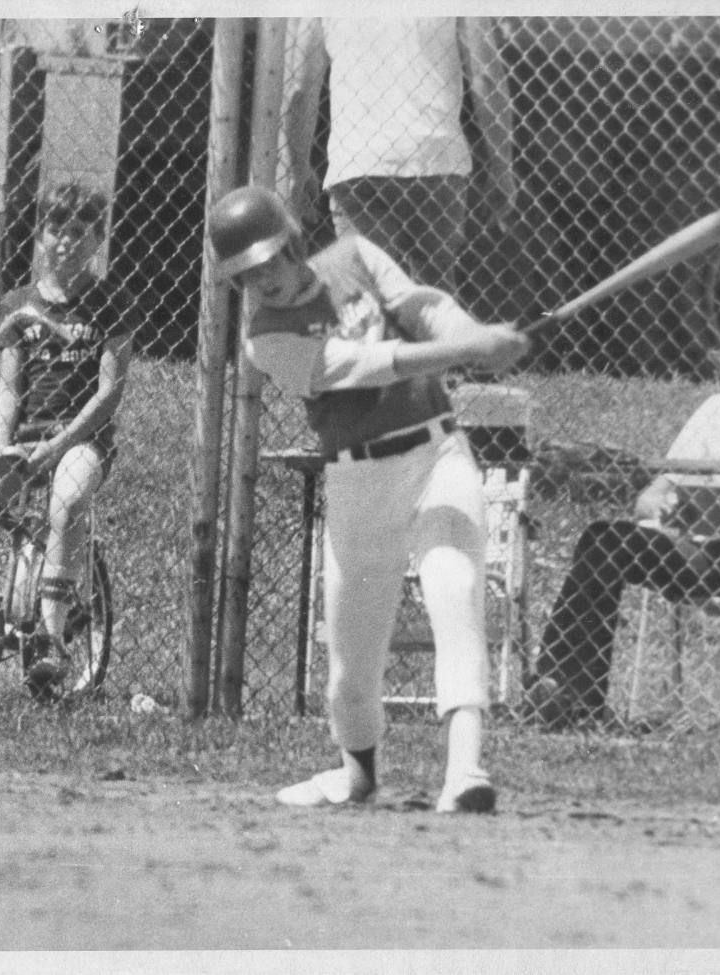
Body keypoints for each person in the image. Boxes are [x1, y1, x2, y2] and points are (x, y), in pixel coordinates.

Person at [208, 184, 529, 813]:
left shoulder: (355, 255)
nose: (262, 278)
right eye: (247, 272)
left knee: (454, 586)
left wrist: (474, 332)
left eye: (269, 260)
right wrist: (472, 350)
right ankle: (358, 774)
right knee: (351, 671)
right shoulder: (265, 338)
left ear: (293, 244)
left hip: (437, 453)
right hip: (358, 482)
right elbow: (370, 363)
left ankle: (465, 770)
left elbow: (422, 306)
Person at [0, 181, 136, 694]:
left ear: (97, 239)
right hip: (21, 442)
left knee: (69, 499)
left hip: (80, 441)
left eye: (79, 232)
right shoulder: (19, 303)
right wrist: (3, 442)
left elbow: (109, 393)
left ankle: (51, 640)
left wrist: (57, 446)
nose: (66, 242)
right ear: (40, 236)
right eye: (56, 230)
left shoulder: (110, 301)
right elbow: (8, 387)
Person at [527, 339, 720, 729]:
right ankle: (568, 693)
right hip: (698, 549)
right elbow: (653, 495)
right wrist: (662, 509)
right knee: (604, 539)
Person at [284, 17, 517, 292]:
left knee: (366, 295)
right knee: (435, 293)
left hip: (359, 160)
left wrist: (299, 169)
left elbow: (301, 89)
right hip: (434, 159)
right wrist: (502, 165)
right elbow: (486, 77)